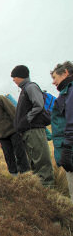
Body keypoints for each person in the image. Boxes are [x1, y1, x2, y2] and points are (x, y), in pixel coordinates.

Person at [11, 65, 54, 187]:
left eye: (14, 77)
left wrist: (26, 119)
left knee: (41, 160)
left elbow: (39, 105)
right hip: (29, 130)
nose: (13, 80)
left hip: (34, 129)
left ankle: (48, 190)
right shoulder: (25, 89)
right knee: (34, 161)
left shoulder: (31, 87)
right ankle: (40, 189)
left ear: (19, 76)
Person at [50, 61, 73, 201]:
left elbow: (71, 122)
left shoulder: (70, 91)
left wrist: (67, 148)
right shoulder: (66, 94)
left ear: (65, 72)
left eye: (54, 78)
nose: (53, 82)